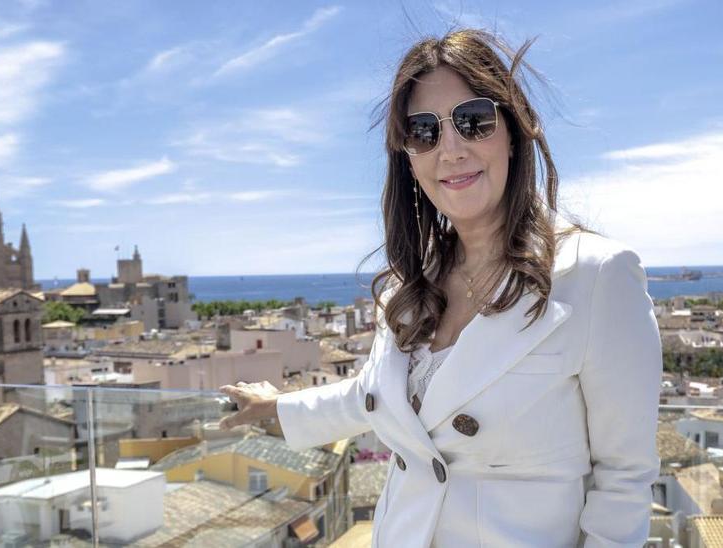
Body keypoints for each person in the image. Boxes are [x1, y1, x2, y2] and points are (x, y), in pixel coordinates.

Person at [219, 28, 662, 547]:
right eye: (423, 131)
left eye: (473, 121)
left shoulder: (596, 275)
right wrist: (279, 408)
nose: (449, 149)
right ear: (407, 156)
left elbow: (624, 478)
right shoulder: (414, 286)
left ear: (514, 130)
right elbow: (375, 399)